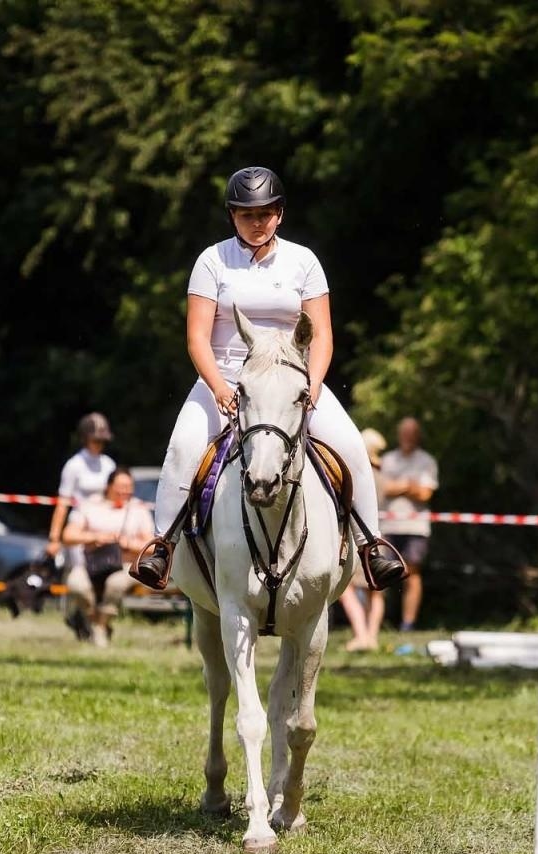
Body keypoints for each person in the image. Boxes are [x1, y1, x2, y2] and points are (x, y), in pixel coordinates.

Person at [130, 165, 406, 592]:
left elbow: (323, 334)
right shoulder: (212, 260)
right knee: (184, 446)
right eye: (246, 215)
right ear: (232, 216)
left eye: (264, 214)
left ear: (279, 213)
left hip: (292, 381)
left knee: (350, 444)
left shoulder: (303, 261)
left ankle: (373, 545)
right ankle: (161, 547)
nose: (256, 223)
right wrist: (219, 389)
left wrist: (313, 384)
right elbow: (197, 337)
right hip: (224, 377)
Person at [63, 469, 154, 647]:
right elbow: (68, 536)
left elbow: (151, 546)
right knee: (75, 584)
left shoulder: (138, 509)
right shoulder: (90, 506)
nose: (125, 491)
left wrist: (128, 543)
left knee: (115, 583)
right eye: (121, 486)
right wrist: (96, 538)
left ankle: (100, 628)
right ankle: (92, 619)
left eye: (129, 487)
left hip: (126, 565)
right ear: (109, 486)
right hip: (93, 564)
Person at [380, 416, 440, 631]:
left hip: (415, 527)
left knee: (412, 575)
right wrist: (409, 485)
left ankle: (408, 623)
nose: (407, 437)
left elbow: (425, 494)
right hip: (387, 525)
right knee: (379, 575)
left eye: (411, 433)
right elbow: (384, 489)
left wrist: (400, 486)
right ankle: (376, 624)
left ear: (418, 436)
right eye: (404, 433)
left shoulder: (427, 461)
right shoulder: (387, 460)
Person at [339, 428, 389, 651]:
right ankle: (372, 636)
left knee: (347, 589)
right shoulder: (382, 475)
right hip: (380, 535)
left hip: (360, 537)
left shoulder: (360, 474)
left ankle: (361, 635)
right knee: (375, 592)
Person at [48, 412, 117, 566]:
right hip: (80, 525)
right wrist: (54, 538)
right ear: (85, 439)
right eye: (95, 440)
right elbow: (63, 503)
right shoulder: (74, 465)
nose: (99, 444)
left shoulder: (109, 464)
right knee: (81, 571)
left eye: (102, 440)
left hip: (103, 523)